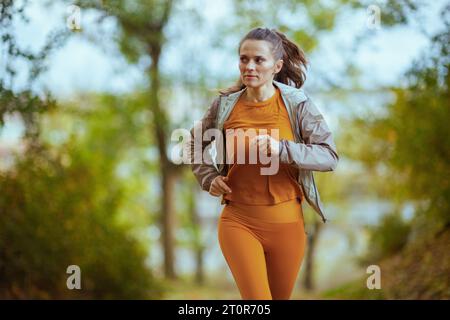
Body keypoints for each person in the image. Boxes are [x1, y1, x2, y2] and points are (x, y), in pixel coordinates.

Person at [188, 27, 339, 300]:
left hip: (288, 224)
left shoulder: (297, 105)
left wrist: (282, 149)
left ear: (277, 66)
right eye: (244, 59)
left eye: (259, 60)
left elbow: (329, 155)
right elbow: (193, 144)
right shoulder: (224, 106)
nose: (249, 66)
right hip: (239, 221)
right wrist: (208, 178)